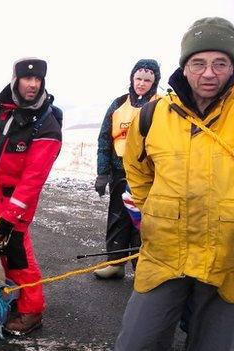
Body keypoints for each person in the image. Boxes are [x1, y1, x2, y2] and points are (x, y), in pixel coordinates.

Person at [115, 17, 234, 350]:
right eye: (198, 63)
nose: (208, 73)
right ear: (184, 67)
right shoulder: (152, 115)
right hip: (163, 256)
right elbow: (137, 169)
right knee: (136, 342)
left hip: (229, 261)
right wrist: (154, 209)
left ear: (233, 67)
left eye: (220, 63)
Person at [0, 57, 62, 336]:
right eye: (28, 79)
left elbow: (33, 179)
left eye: (38, 79)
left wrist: (10, 217)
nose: (33, 84)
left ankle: (31, 310)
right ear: (15, 79)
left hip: (16, 205)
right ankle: (8, 297)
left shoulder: (46, 124)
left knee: (18, 256)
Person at [93, 59, 161, 279]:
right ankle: (115, 264)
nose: (142, 83)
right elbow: (104, 138)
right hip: (119, 173)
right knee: (118, 218)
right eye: (139, 78)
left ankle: (142, 268)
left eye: (147, 80)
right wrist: (103, 172)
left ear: (155, 81)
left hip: (148, 176)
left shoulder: (162, 105)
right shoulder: (118, 104)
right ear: (132, 78)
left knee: (142, 222)